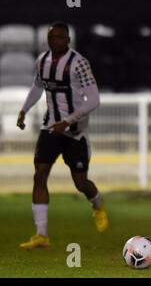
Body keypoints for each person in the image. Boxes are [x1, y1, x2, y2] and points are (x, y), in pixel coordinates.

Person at [16, 22, 108, 249]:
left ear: (67, 40)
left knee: (80, 183)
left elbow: (94, 100)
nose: (54, 41)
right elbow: (37, 88)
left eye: (59, 37)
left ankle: (97, 205)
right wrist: (24, 110)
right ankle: (41, 235)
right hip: (50, 128)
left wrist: (67, 121)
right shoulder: (42, 61)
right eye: (51, 37)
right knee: (39, 175)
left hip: (75, 132)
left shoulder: (79, 64)